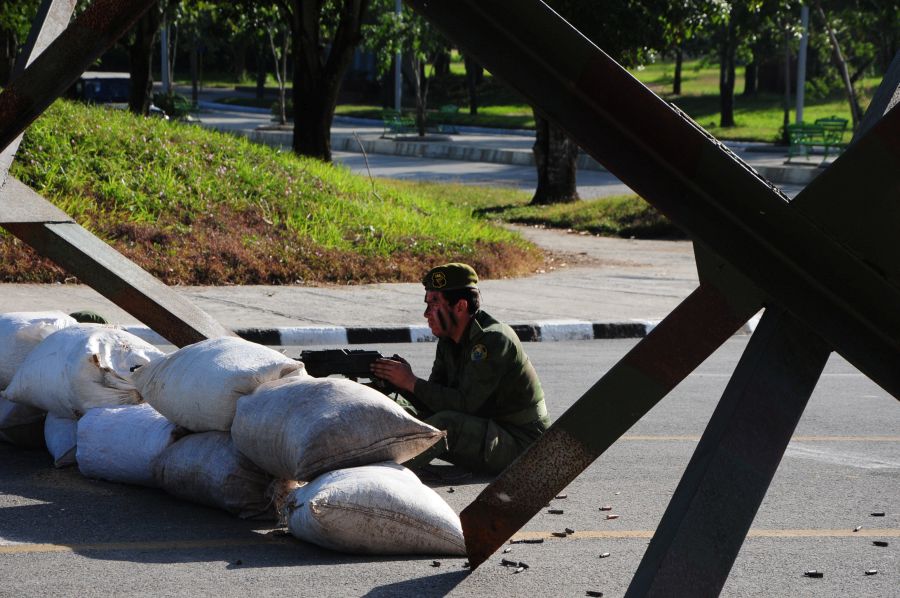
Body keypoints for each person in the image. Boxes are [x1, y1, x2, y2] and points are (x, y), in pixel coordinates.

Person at [371, 263, 550, 475]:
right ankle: (369, 457)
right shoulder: (449, 340)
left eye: (434, 304)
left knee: (447, 425)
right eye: (427, 304)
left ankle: (386, 473)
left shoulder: (493, 340)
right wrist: (394, 386)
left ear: (460, 306)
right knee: (399, 407)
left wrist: (411, 382)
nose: (426, 313)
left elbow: (466, 405)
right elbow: (435, 399)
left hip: (524, 445)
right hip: (490, 430)